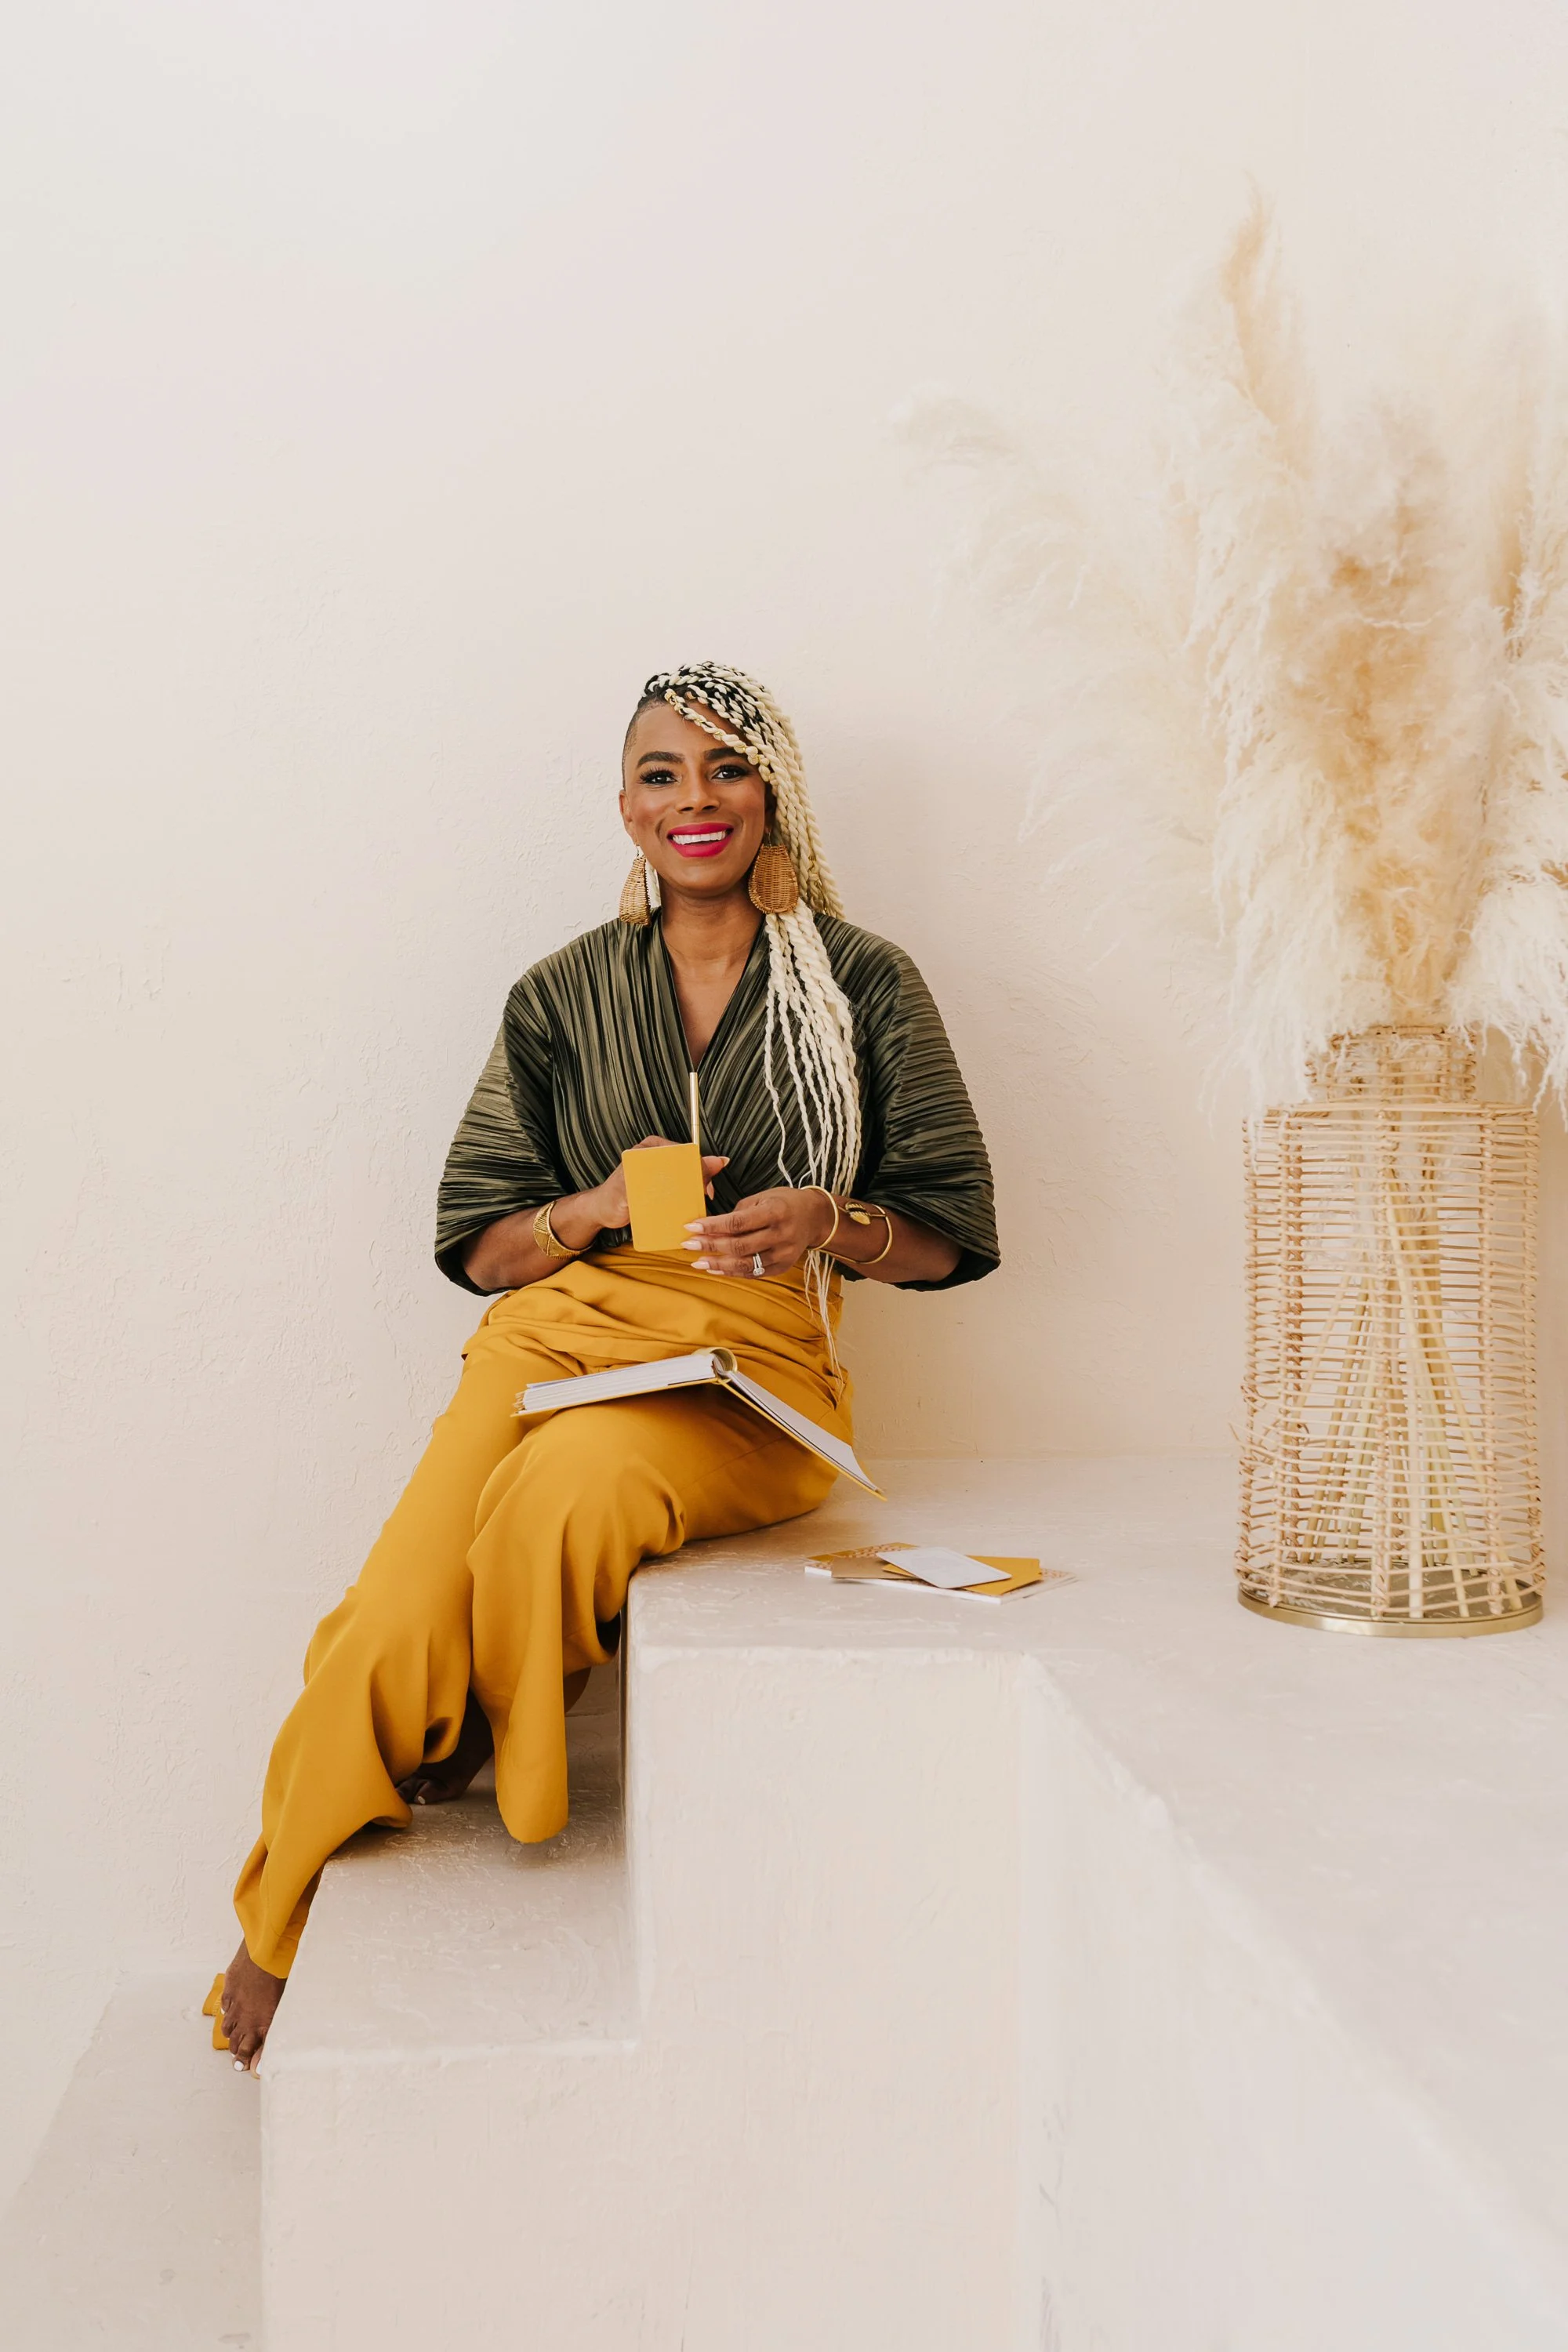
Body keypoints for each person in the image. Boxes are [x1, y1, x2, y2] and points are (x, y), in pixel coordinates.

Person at [210, 661, 998, 2069]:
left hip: (749, 1366)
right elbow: (479, 1244)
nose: (697, 801)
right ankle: (277, 1914)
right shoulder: (563, 991)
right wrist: (593, 1212)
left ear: (776, 794)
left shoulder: (863, 982)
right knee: (391, 1613)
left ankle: (508, 1754)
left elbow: (948, 1230)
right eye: (661, 775)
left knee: (565, 1497)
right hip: (555, 1335)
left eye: (727, 769)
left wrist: (832, 1221)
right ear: (626, 810)